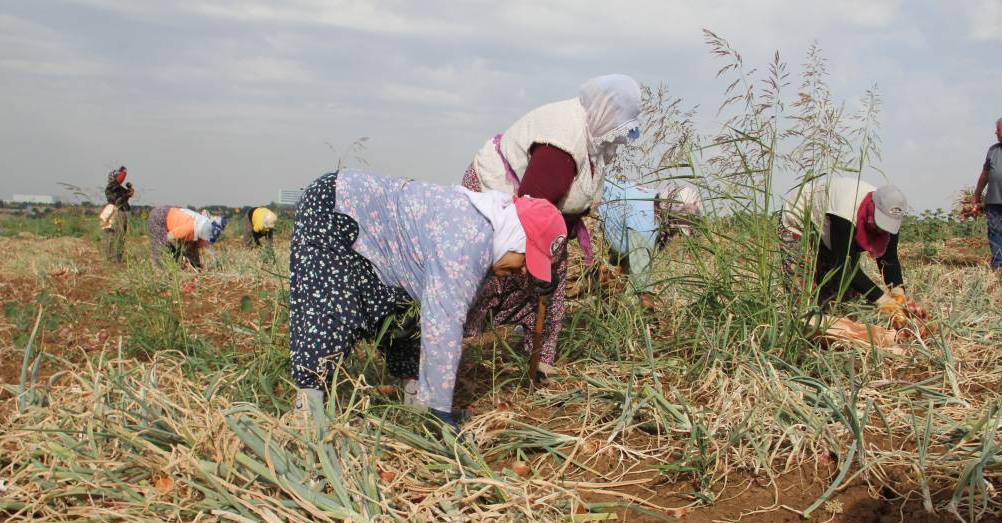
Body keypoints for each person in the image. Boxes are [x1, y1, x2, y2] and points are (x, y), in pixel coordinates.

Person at [289, 170, 566, 429]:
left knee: (403, 313)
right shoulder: (468, 240)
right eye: (526, 260)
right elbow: (444, 324)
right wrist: (441, 414)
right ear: (516, 237)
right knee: (332, 310)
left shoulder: (487, 232)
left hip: (375, 236)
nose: (522, 271)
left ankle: (415, 403)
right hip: (337, 209)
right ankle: (307, 413)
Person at [460, 75, 642, 377]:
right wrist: (541, 260)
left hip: (540, 214)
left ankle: (539, 365)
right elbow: (531, 210)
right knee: (491, 278)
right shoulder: (563, 141)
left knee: (549, 287)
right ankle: (442, 352)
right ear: (603, 111)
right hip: (504, 204)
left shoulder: (592, 135)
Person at [779, 175, 926, 327]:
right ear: (873, 209)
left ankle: (831, 327)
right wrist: (882, 300)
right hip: (800, 218)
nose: (882, 229)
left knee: (843, 295)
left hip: (829, 229)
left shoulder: (891, 217)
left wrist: (898, 292)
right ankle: (802, 331)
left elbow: (889, 259)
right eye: (879, 223)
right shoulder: (845, 211)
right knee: (803, 289)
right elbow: (844, 267)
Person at [599, 180, 701, 307]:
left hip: (595, 195)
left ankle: (606, 307)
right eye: (676, 229)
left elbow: (624, 260)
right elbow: (643, 283)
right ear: (670, 219)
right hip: (585, 207)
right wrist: (650, 316)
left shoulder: (650, 202)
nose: (674, 234)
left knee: (615, 273)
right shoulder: (644, 225)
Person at [972, 116, 1002, 270]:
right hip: (994, 199)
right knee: (994, 231)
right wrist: (976, 194)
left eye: (999, 130)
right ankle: (997, 265)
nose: (996, 133)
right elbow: (985, 174)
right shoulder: (993, 149)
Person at [147, 206, 226, 269]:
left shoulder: (200, 231)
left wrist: (197, 266)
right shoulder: (190, 229)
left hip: (174, 214)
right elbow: (170, 237)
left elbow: (192, 249)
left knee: (188, 247)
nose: (206, 245)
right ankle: (164, 273)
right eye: (207, 242)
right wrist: (180, 251)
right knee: (164, 251)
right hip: (160, 218)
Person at [103, 166, 134, 263]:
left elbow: (125, 196)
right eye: (117, 176)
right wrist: (123, 172)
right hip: (114, 212)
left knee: (120, 236)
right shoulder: (110, 187)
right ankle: (111, 258)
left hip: (121, 212)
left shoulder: (119, 188)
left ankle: (117, 258)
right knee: (112, 235)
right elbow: (118, 201)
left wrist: (129, 193)